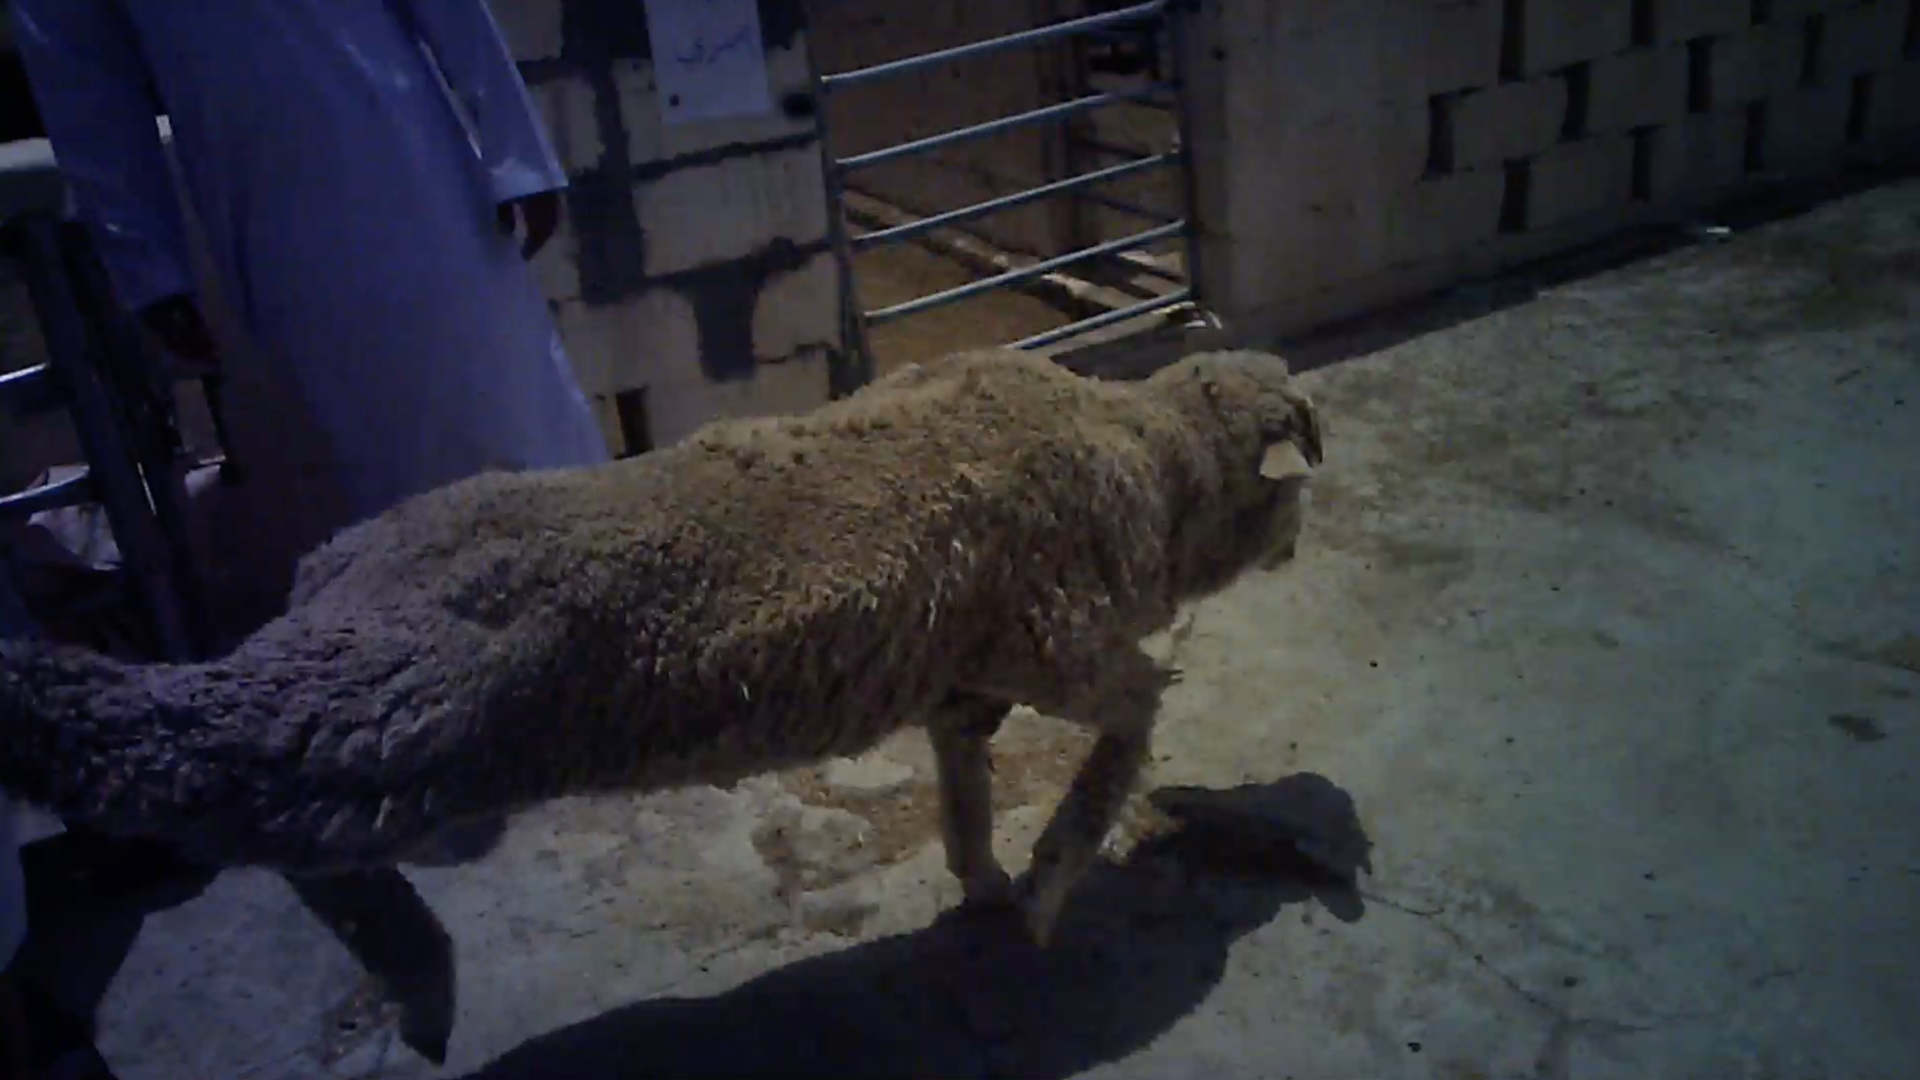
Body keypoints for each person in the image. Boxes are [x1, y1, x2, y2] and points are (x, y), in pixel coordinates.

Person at [12, 0, 611, 526]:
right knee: (379, 483)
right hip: (270, 222)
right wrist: (147, 268)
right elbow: (86, 92)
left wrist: (515, 153)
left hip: (421, 172)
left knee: (519, 419)